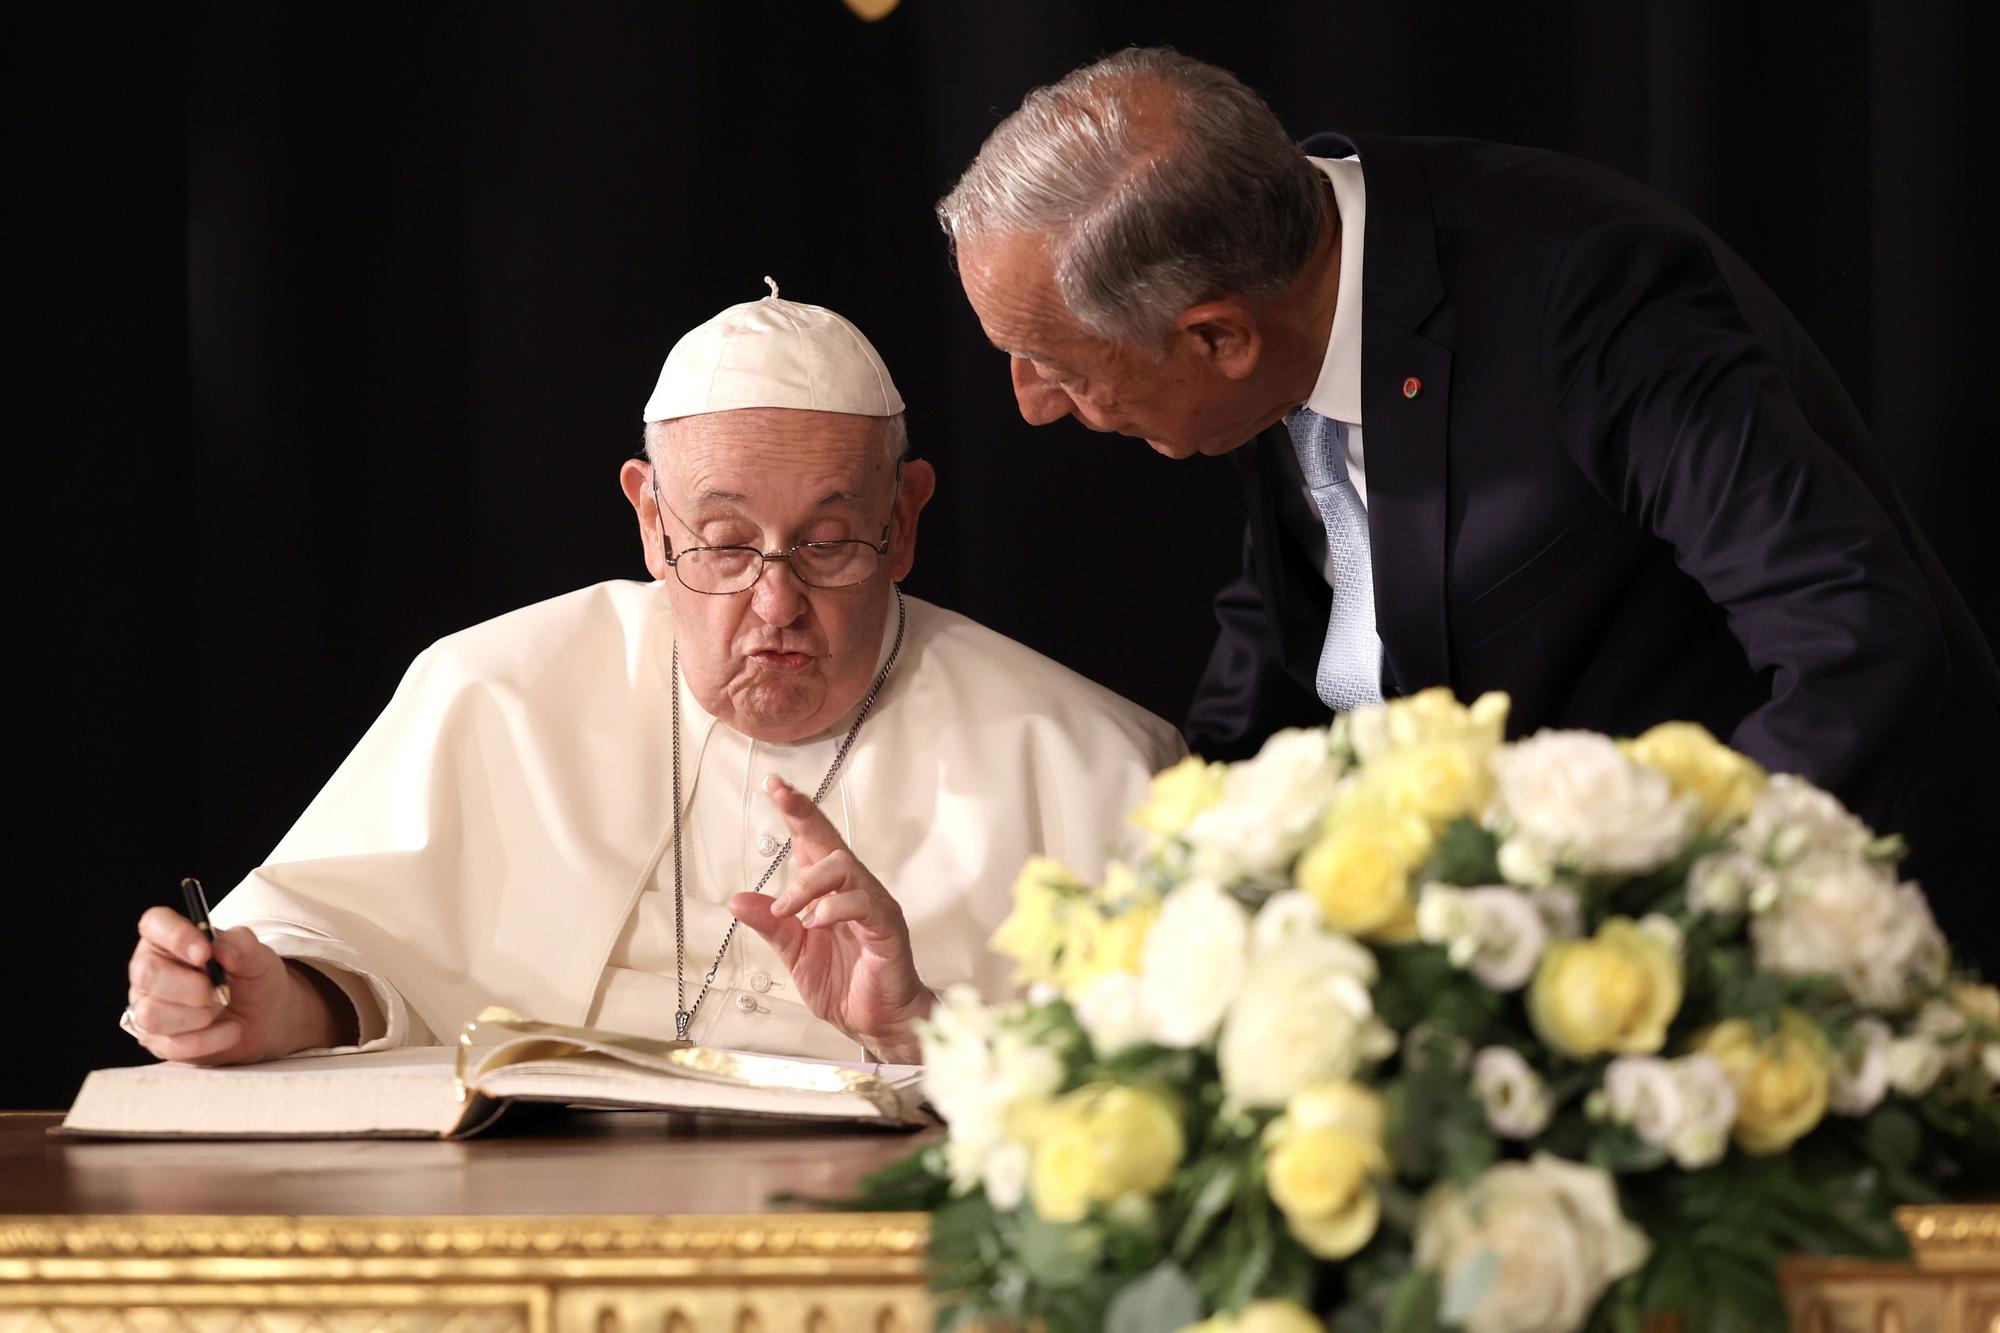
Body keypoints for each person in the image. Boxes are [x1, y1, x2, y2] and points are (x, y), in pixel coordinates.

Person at [938, 48, 2000, 966]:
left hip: (1776, 976)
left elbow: (1854, 642)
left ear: (1218, 338)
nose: (1032, 406)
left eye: (1057, 366)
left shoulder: (1581, 299)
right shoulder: (1268, 267)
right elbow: (1303, 632)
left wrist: (1668, 937)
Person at [121, 283, 1186, 1067]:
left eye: (825, 544)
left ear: (903, 519)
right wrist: (269, 1004)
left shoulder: (1088, 759)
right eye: (721, 544)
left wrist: (922, 1026)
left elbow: (1160, 1112)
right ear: (648, 517)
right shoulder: (494, 691)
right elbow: (345, 956)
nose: (773, 604)